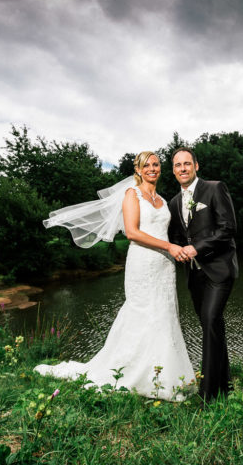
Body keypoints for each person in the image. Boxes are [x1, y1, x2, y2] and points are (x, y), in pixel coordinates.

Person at [34, 151, 196, 401]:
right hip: (142, 262)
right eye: (146, 165)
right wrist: (169, 248)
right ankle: (130, 373)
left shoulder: (162, 200)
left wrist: (180, 248)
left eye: (156, 164)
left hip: (164, 265)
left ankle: (164, 377)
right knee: (142, 313)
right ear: (138, 170)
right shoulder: (132, 195)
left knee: (164, 314)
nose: (152, 168)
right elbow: (131, 232)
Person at [168, 147, 238, 400]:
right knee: (213, 326)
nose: (183, 168)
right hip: (194, 277)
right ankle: (225, 386)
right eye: (178, 165)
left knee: (210, 320)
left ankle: (208, 394)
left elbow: (227, 228)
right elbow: (176, 237)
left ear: (196, 166)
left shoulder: (215, 188)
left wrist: (196, 248)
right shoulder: (174, 203)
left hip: (219, 270)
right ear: (173, 170)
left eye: (187, 163)